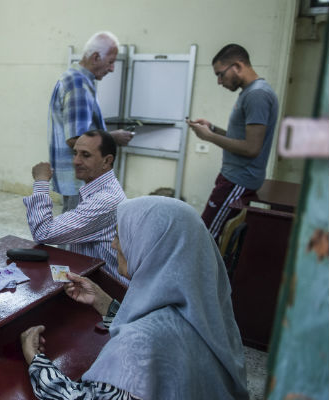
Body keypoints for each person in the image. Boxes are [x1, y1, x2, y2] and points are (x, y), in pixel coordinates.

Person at [20, 196, 249, 400]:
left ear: (151, 246)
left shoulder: (140, 344)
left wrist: (36, 361)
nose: (114, 244)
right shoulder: (211, 312)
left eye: (120, 236)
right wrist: (105, 304)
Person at [187, 44, 279, 241]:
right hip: (233, 177)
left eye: (221, 74)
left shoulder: (257, 94)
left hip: (238, 180)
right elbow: (243, 139)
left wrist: (209, 137)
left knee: (206, 238)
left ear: (237, 66)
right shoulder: (251, 92)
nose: (219, 81)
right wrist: (212, 129)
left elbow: (252, 148)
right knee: (210, 234)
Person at [24, 129, 127, 283]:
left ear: (106, 161)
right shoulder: (100, 188)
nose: (76, 161)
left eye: (85, 155)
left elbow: (43, 232)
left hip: (107, 291)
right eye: (75, 153)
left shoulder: (106, 200)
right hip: (89, 278)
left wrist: (41, 181)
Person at [49, 31, 133, 214]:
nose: (112, 69)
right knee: (74, 236)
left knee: (74, 232)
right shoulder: (78, 85)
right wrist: (114, 138)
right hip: (81, 179)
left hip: (77, 177)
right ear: (95, 57)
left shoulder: (74, 79)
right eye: (111, 62)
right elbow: (76, 140)